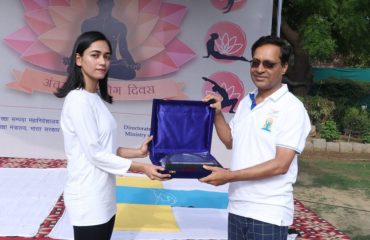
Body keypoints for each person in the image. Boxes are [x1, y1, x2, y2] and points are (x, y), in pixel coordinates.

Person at [55, 31, 170, 240]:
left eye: (107, 56)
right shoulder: (78, 100)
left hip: (104, 195)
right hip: (88, 197)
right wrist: (142, 168)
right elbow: (95, 154)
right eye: (95, 55)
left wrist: (138, 152)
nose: (103, 62)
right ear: (79, 59)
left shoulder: (95, 98)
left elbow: (106, 149)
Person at [200, 35, 311, 240]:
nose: (260, 69)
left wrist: (228, 176)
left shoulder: (291, 108)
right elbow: (230, 141)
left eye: (269, 64)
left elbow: (280, 165)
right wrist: (217, 114)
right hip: (237, 206)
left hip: (268, 212)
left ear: (284, 67)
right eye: (256, 62)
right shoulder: (246, 101)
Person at [81, 0, 140, 80]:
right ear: (99, 5)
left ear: (112, 6)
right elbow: (82, 45)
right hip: (93, 62)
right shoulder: (88, 23)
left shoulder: (119, 26)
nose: (105, 7)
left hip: (111, 64)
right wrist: (71, 59)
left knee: (130, 73)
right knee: (73, 68)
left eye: (108, 4)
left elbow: (123, 49)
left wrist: (132, 63)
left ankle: (98, 73)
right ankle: (99, 73)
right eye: (103, 4)